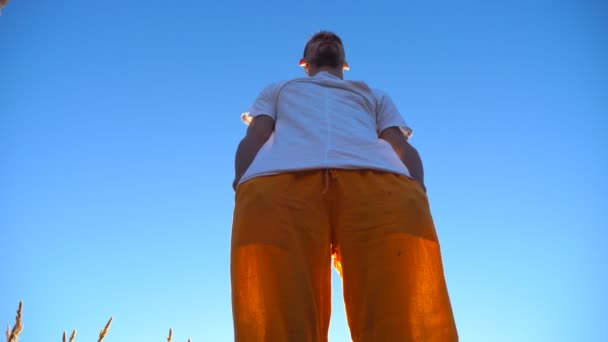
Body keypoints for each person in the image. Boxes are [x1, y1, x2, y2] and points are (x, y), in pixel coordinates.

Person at [231, 31, 458, 342]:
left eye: (333, 38)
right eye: (317, 39)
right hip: (280, 183)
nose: (327, 38)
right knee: (281, 312)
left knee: (397, 310)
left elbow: (399, 143)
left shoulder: (373, 95)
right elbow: (255, 135)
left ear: (346, 63)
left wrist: (417, 188)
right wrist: (241, 182)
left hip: (379, 185)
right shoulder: (279, 89)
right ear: (303, 60)